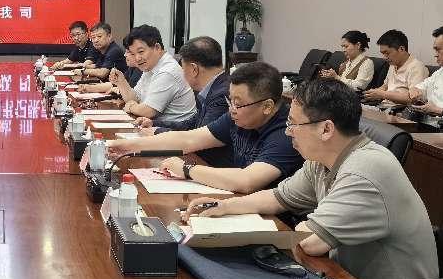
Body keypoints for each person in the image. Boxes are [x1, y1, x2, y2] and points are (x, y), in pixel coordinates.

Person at [181, 79, 438, 279]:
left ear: (326, 129)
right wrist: (223, 206)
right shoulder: (321, 160)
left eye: (293, 124)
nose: (287, 131)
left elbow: (311, 242)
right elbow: (277, 197)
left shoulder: (366, 170)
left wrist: (306, 225)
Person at [108, 62, 303, 193]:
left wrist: (187, 169)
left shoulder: (287, 134)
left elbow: (247, 181)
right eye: (230, 101)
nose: (232, 109)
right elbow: (189, 139)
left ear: (267, 106)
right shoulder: (240, 116)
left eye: (238, 103)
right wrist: (126, 146)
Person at [135, 36, 232, 166]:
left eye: (183, 69)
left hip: (214, 166)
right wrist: (154, 123)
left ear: (194, 69)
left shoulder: (222, 94)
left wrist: (158, 132)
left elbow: (199, 138)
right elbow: (191, 123)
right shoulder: (214, 87)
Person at [108, 25, 196, 124]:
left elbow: (148, 111)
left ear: (157, 47)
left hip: (174, 129)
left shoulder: (167, 71)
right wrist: (121, 82)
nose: (137, 58)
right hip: (155, 125)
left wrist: (131, 107)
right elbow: (135, 98)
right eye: (133, 53)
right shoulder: (151, 66)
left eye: (141, 52)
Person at [364, 29, 428, 106]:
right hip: (384, 106)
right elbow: (385, 86)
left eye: (387, 53)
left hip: (400, 109)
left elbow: (414, 98)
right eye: (383, 54)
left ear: (401, 49)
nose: (384, 57)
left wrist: (382, 94)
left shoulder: (417, 67)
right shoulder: (393, 64)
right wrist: (372, 93)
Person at [408, 26, 443, 116]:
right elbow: (421, 87)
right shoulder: (440, 72)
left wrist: (439, 110)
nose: (435, 55)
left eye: (438, 50)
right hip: (428, 119)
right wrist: (415, 90)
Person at [75, 49, 141, 93]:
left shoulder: (114, 51)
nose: (125, 55)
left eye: (128, 52)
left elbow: (102, 73)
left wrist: (119, 90)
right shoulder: (132, 68)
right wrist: (89, 88)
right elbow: (114, 84)